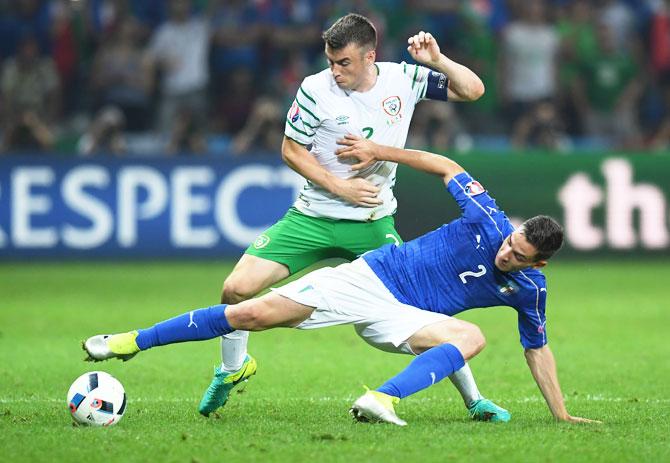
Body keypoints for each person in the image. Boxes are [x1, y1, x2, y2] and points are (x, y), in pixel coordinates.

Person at [83, 140, 600, 426]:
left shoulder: (530, 292)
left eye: (519, 255)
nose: (506, 252)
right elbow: (445, 165)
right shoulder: (488, 219)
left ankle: (381, 400)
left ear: (540, 265)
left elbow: (538, 350)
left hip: (408, 318)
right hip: (371, 278)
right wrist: (381, 149)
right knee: (248, 313)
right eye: (512, 242)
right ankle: (129, 341)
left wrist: (562, 415)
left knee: (471, 338)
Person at [203, 12, 498, 421]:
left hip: (373, 224)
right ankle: (233, 369)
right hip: (312, 218)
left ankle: (474, 399)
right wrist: (338, 186)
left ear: (370, 56)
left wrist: (439, 60)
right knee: (235, 289)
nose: (335, 71)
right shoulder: (314, 90)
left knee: (425, 317)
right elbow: (291, 150)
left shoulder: (403, 79)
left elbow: (473, 90)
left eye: (344, 63)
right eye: (330, 61)